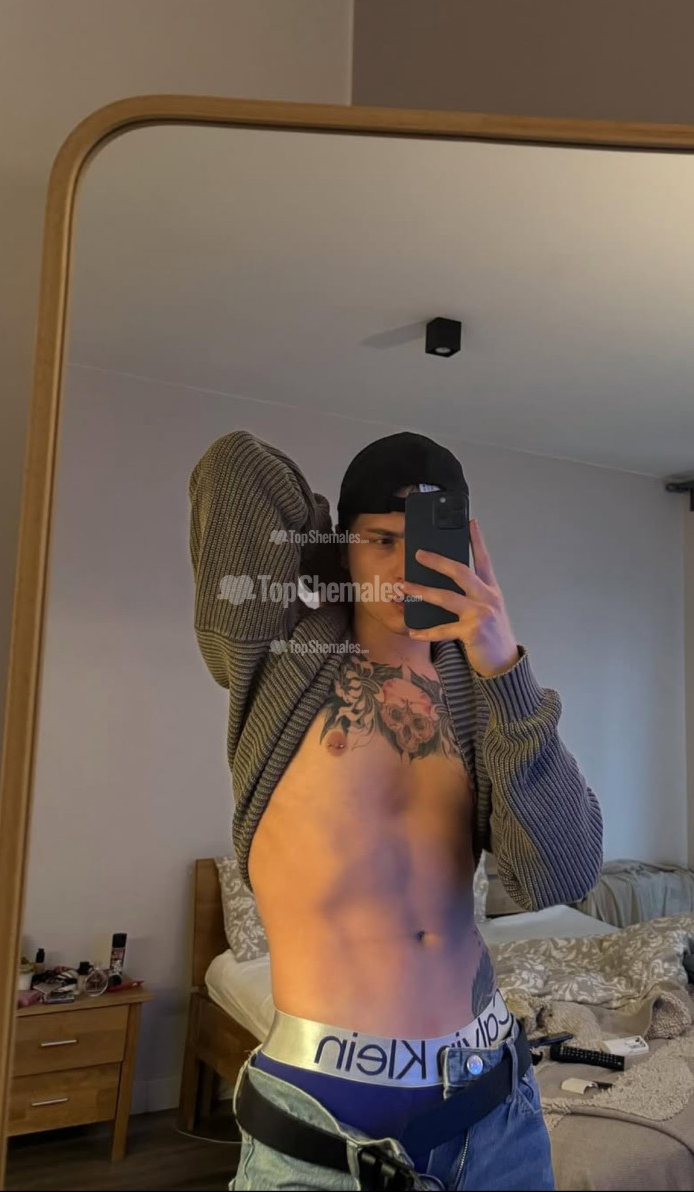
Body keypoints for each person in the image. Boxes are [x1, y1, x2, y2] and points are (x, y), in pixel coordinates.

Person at [188, 429, 603, 1191]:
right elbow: (235, 465)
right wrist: (340, 556)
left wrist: (503, 665)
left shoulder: (481, 692)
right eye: (381, 541)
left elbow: (561, 875)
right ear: (343, 546)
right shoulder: (280, 657)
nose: (404, 567)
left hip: (490, 1107)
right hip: (323, 1118)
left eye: (428, 546)